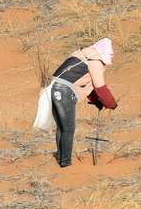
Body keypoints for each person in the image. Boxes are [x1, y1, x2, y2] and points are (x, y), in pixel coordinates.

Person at [49, 38, 117, 167]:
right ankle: (66, 163)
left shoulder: (82, 55)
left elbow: (85, 82)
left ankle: (61, 159)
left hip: (52, 87)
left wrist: (96, 100)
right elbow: (100, 87)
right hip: (64, 91)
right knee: (68, 129)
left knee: (62, 128)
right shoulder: (95, 61)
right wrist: (110, 103)